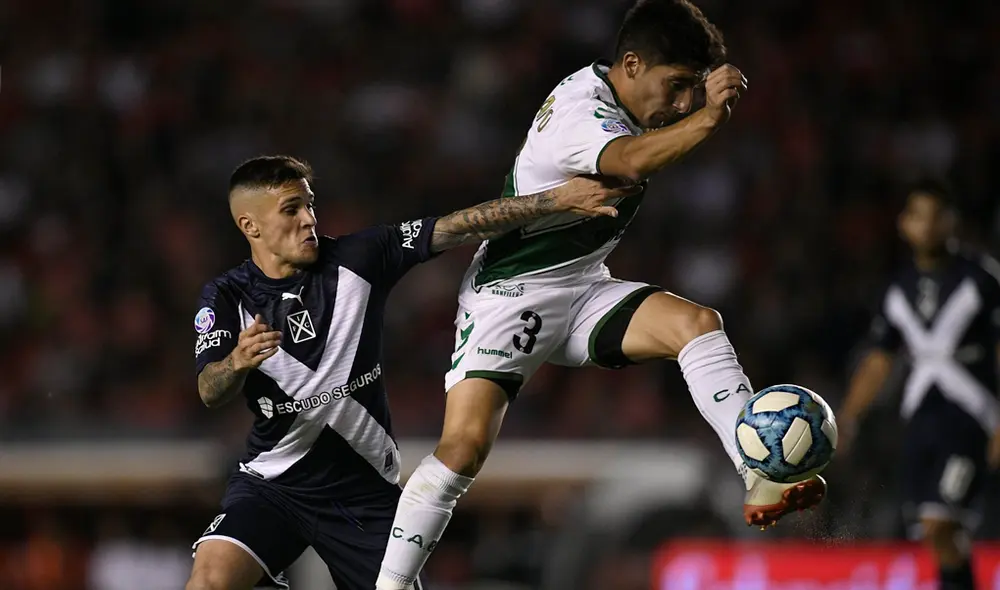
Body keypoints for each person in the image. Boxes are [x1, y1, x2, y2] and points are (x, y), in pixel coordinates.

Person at [375, 1, 825, 587]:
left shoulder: (632, 103)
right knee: (462, 450)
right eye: (677, 85)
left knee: (697, 325)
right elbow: (630, 161)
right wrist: (711, 117)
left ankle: (758, 469)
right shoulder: (581, 113)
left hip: (583, 287)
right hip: (510, 298)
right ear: (631, 64)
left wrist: (700, 108)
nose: (684, 102)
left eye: (693, 88)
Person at [185, 155, 635, 590]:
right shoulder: (227, 296)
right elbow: (210, 389)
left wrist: (555, 200)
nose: (309, 219)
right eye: (291, 209)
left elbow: (459, 225)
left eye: (309, 204)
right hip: (274, 486)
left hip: (365, 497)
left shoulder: (359, 257)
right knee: (209, 582)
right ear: (250, 225)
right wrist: (236, 362)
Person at [840, 180, 1000, 590]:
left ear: (952, 222)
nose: (927, 226)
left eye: (936, 216)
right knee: (937, 533)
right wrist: (849, 416)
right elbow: (880, 358)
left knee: (939, 522)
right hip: (920, 420)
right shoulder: (897, 288)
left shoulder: (980, 279)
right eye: (919, 216)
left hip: (972, 417)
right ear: (904, 224)